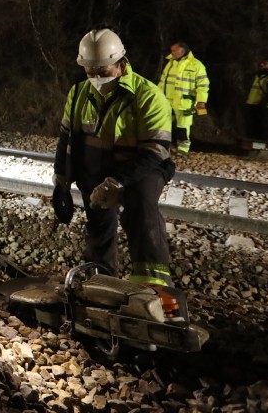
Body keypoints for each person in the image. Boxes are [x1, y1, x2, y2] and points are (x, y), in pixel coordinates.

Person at [52, 29, 181, 314]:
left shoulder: (148, 96)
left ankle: (154, 287)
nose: (97, 76)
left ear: (121, 63)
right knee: (99, 223)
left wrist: (117, 182)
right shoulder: (78, 94)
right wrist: (61, 182)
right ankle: (102, 282)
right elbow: (67, 141)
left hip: (142, 168)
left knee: (140, 206)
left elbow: (156, 150)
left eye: (103, 69)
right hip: (96, 169)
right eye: (90, 70)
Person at [157, 41, 209, 155]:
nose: (172, 53)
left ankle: (183, 149)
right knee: (164, 125)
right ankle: (165, 146)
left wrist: (201, 101)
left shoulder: (196, 65)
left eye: (174, 50)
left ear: (182, 51)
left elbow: (203, 85)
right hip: (167, 101)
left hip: (185, 102)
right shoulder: (170, 63)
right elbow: (163, 82)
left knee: (183, 127)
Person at [244, 58, 268, 141]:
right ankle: (253, 148)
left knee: (262, 129)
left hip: (263, 108)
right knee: (252, 128)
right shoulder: (259, 76)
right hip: (252, 105)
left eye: (265, 63)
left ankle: (263, 148)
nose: (261, 64)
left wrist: (263, 106)